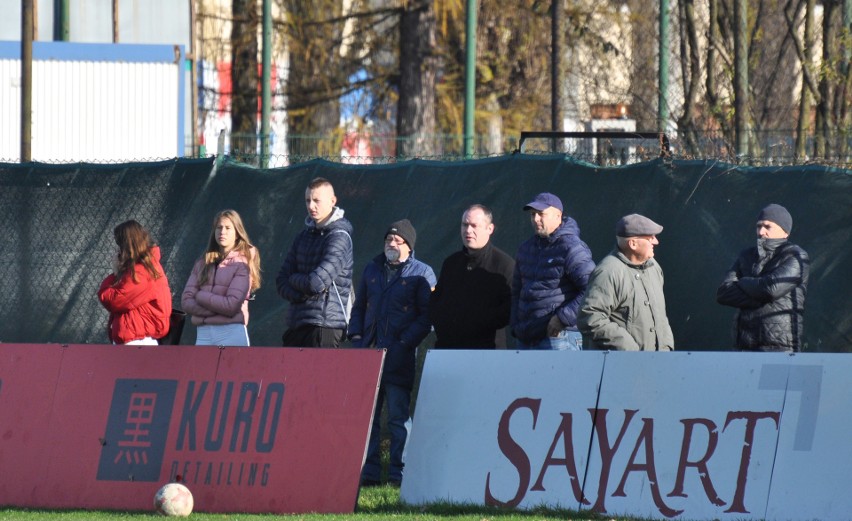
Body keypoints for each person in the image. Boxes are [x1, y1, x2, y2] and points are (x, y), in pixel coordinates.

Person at [348, 219, 436, 487]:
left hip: (399, 357)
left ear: (409, 246)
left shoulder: (423, 274)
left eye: (398, 241)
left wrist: (404, 343)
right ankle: (370, 473)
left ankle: (399, 474)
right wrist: (357, 337)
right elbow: (360, 306)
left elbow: (427, 317)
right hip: (369, 355)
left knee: (398, 418)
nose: (392, 244)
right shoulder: (372, 269)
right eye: (389, 239)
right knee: (368, 419)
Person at [716, 204, 809, 352]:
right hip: (743, 346)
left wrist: (742, 282)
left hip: (779, 348)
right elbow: (723, 293)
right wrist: (762, 296)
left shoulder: (796, 256)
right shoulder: (746, 255)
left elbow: (770, 290)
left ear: (785, 232)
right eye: (758, 226)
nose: (761, 231)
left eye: (768, 226)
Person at [578, 214, 674, 351]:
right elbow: (590, 317)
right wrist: (629, 349)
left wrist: (666, 347)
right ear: (633, 244)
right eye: (650, 238)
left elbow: (660, 315)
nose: (656, 242)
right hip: (620, 367)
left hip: (655, 364)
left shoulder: (654, 267)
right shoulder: (608, 272)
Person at [276, 177, 354, 347]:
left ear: (333, 201)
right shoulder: (302, 236)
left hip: (325, 326)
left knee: (320, 375)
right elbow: (281, 280)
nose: (311, 206)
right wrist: (300, 295)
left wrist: (294, 280)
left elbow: (316, 283)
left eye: (316, 200)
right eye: (308, 200)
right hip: (296, 324)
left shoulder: (340, 236)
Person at [511, 192, 595, 350]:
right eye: (533, 215)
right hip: (525, 339)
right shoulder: (525, 249)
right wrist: (516, 325)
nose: (536, 219)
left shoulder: (572, 247)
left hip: (559, 338)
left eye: (541, 214)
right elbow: (516, 291)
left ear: (558, 216)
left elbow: (593, 289)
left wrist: (562, 318)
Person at [429, 204, 515, 348]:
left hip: (487, 353)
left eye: (474, 225)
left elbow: (510, 309)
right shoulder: (451, 263)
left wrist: (477, 322)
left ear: (490, 229)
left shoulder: (505, 265)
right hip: (448, 350)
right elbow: (436, 301)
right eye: (465, 225)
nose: (468, 230)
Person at [181, 209, 261, 346]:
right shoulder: (201, 263)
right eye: (219, 227)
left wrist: (200, 296)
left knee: (232, 368)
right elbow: (186, 301)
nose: (222, 232)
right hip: (203, 334)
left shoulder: (242, 264)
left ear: (237, 233)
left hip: (231, 333)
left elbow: (231, 306)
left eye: (228, 228)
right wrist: (216, 310)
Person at [97, 220, 172, 345]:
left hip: (138, 340)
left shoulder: (142, 271)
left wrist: (114, 274)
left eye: (119, 245)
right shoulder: (140, 269)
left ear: (127, 246)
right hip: (135, 338)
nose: (117, 251)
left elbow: (114, 300)